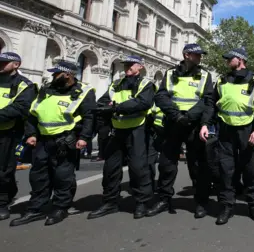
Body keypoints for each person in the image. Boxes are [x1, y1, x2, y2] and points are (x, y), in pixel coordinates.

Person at [11, 60, 96, 226]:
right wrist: (31, 133)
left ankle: (60, 207)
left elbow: (89, 117)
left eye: (56, 73)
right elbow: (32, 113)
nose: (52, 76)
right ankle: (36, 208)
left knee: (63, 176)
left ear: (67, 74)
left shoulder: (83, 91)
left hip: (65, 140)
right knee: (38, 176)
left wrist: (84, 137)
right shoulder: (46, 90)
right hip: (42, 139)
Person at [200, 48, 254, 225]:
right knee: (226, 170)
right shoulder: (222, 80)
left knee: (251, 170)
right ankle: (227, 206)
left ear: (240, 59)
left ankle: (253, 205)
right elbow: (212, 105)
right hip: (225, 132)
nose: (227, 61)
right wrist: (206, 124)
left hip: (248, 131)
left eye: (230, 58)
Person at [147, 44, 214, 217]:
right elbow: (161, 96)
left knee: (197, 165)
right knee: (166, 164)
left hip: (194, 125)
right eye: (196, 55)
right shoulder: (170, 73)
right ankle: (163, 199)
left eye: (200, 55)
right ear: (186, 55)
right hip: (173, 123)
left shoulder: (205, 75)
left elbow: (207, 100)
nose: (200, 58)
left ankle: (200, 202)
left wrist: (190, 116)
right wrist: (176, 115)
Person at [88, 55, 155, 220]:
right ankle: (110, 202)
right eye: (125, 65)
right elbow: (103, 102)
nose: (127, 68)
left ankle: (141, 203)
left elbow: (142, 104)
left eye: (131, 65)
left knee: (138, 168)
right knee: (110, 169)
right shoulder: (116, 84)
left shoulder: (146, 84)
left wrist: (117, 107)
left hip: (137, 130)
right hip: (117, 131)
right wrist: (109, 108)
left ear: (140, 66)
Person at [0, 52, 37, 221]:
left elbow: (20, 108)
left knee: (3, 170)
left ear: (16, 65)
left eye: (4, 63)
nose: (1, 65)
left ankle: (2, 202)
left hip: (7, 133)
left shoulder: (25, 85)